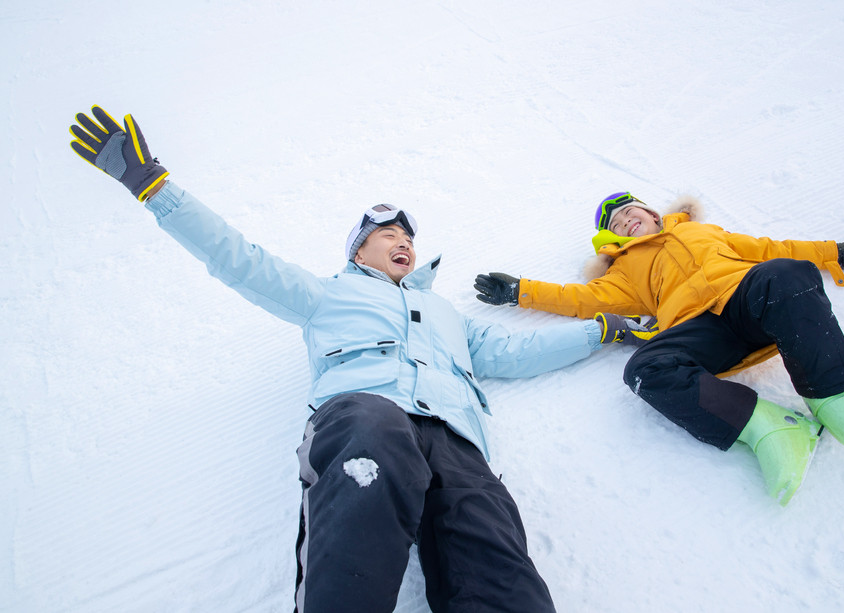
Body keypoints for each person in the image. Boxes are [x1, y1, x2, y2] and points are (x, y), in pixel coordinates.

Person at [67, 105, 655, 613]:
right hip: (366, 414)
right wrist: (155, 187)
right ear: (358, 248)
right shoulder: (327, 294)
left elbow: (516, 350)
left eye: (409, 236)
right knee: (368, 449)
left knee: (493, 546)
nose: (404, 241)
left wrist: (601, 330)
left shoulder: (445, 314)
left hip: (456, 437)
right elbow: (239, 258)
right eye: (387, 233)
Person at [474, 191, 844, 506]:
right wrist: (519, 291)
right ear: (610, 239)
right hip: (703, 329)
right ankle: (770, 425)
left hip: (748, 298)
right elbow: (577, 298)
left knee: (786, 272)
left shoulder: (702, 231)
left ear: (652, 213)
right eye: (616, 224)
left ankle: (833, 398)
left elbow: (772, 249)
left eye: (630, 212)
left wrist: (835, 252)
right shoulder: (624, 270)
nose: (626, 221)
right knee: (646, 368)